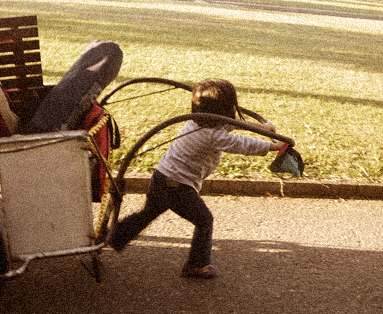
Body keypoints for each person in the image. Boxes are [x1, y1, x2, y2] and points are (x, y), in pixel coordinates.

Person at [109, 79, 285, 279]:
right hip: (177, 186)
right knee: (204, 220)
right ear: (226, 110)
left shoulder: (196, 121)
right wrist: (272, 146)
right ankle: (197, 265)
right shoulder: (212, 135)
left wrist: (261, 128)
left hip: (161, 177)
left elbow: (231, 126)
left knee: (148, 213)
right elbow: (240, 144)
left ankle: (113, 237)